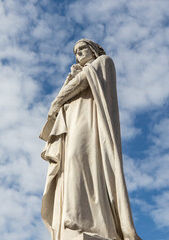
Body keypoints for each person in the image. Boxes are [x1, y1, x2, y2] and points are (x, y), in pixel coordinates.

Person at [39, 39, 141, 240]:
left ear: (94, 49)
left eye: (82, 49)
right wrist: (69, 79)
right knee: (69, 170)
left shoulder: (104, 63)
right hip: (73, 124)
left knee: (82, 163)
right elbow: (76, 82)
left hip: (89, 125)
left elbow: (82, 81)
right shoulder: (78, 74)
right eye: (76, 52)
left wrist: (57, 102)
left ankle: (83, 219)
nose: (79, 54)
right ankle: (74, 218)